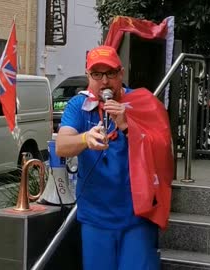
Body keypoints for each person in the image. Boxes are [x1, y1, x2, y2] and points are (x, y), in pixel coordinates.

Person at [56, 45, 173, 270]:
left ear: (121, 74)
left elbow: (164, 149)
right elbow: (61, 145)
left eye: (110, 73)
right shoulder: (78, 106)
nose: (104, 81)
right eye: (97, 74)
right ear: (88, 75)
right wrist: (84, 139)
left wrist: (129, 127)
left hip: (137, 215)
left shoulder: (143, 103)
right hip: (95, 216)